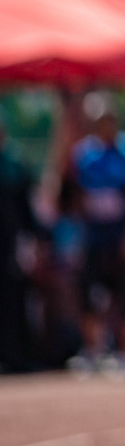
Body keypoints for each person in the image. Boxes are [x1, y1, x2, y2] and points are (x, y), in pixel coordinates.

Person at [68, 92, 125, 372]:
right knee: (89, 294)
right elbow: (79, 198)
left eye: (111, 120)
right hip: (94, 237)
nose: (107, 126)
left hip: (121, 236)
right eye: (102, 121)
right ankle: (93, 351)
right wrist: (77, 236)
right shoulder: (83, 154)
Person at [0, 115, 43, 372]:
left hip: (10, 244)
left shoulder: (15, 163)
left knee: (14, 298)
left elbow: (27, 209)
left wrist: (33, 241)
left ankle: (15, 356)